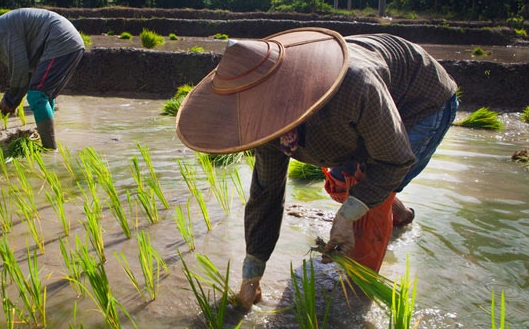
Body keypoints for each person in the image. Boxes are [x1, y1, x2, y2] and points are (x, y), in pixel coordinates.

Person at [175, 28, 457, 309]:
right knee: (340, 183)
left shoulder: (356, 87)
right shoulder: (266, 123)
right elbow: (266, 195)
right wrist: (252, 276)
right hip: (361, 113)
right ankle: (400, 214)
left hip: (420, 103)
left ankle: (359, 295)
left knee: (367, 209)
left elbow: (393, 159)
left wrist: (348, 216)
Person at [0, 6, 86, 149]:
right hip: (65, 42)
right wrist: (11, 99)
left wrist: (10, 100)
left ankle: (49, 150)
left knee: (36, 96)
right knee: (44, 96)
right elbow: (26, 70)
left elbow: (20, 67)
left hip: (60, 41)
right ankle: (47, 141)